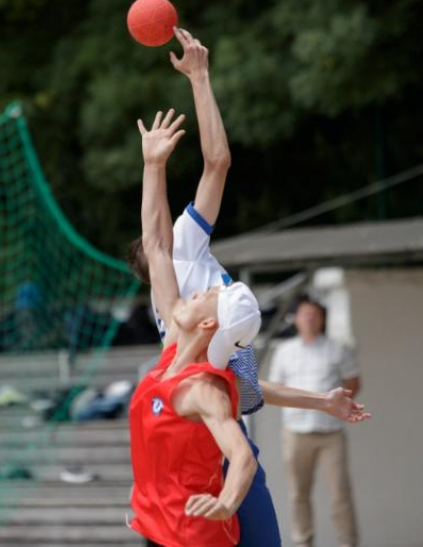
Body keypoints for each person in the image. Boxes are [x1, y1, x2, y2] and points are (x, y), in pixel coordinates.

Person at [126, 27, 370, 547]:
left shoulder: (185, 303)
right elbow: (212, 168)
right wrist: (199, 78)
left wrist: (320, 402)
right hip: (200, 467)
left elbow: (246, 391)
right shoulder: (184, 265)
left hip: (210, 459)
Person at [128, 106, 260, 547]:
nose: (204, 289)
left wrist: (226, 500)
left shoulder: (203, 377)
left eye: (211, 293)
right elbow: (155, 243)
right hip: (161, 523)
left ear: (208, 320)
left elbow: (242, 455)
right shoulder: (178, 338)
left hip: (192, 526)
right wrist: (151, 165)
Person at [269, 297, 362, 547]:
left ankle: (348, 542)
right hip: (296, 431)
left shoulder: (336, 348)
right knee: (298, 492)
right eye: (305, 314)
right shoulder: (284, 351)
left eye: (315, 314)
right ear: (296, 319)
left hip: (330, 432)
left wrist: (342, 403)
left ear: (322, 319)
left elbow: (353, 381)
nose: (310, 319)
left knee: (339, 493)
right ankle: (302, 542)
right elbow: (274, 388)